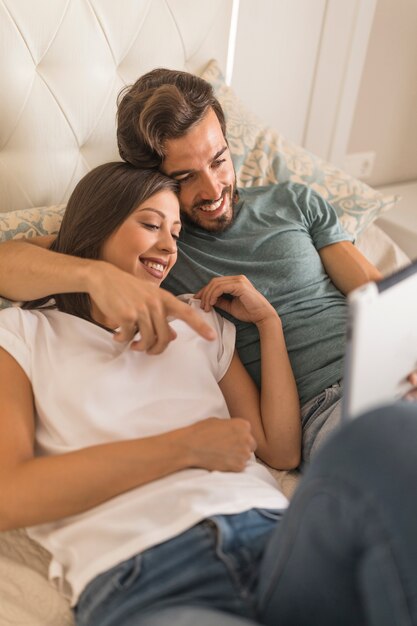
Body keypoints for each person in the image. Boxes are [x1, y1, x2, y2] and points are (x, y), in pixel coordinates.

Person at [1, 163, 417, 626]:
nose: (167, 247)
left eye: (176, 233)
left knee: (390, 429)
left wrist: (268, 323)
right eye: (151, 224)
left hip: (276, 538)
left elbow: (278, 451)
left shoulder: (200, 323)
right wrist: (186, 448)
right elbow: (9, 496)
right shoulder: (22, 332)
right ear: (98, 223)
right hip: (148, 573)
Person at [0, 67, 399, 463]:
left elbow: (378, 292)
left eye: (219, 161)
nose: (212, 190)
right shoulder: (153, 245)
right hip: (328, 408)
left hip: (391, 367)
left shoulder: (294, 200)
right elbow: (9, 263)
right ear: (151, 179)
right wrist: (97, 275)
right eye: (187, 176)